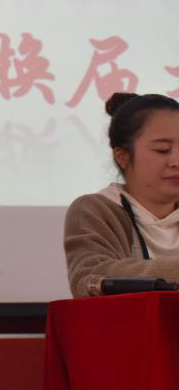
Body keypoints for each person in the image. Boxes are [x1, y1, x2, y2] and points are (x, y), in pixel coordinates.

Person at [63, 92, 179, 297]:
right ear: (122, 157)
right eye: (162, 150)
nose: (176, 161)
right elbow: (88, 276)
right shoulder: (96, 210)